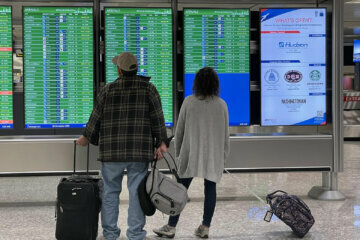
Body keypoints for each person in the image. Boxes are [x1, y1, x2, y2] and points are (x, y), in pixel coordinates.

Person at [77, 52, 168, 240]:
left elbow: (95, 119)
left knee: (111, 191)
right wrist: (161, 142)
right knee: (136, 192)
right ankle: (135, 233)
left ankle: (110, 233)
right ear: (135, 69)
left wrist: (87, 137)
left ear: (119, 70)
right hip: (139, 151)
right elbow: (157, 118)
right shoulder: (148, 89)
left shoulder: (108, 90)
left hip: (111, 151)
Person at [153, 67, 230, 238]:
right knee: (210, 189)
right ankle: (205, 227)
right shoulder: (222, 105)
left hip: (190, 154)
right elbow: (225, 136)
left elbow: (179, 132)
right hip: (213, 156)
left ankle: (171, 226)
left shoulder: (189, 102)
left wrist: (179, 154)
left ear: (197, 83)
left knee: (179, 190)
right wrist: (223, 158)